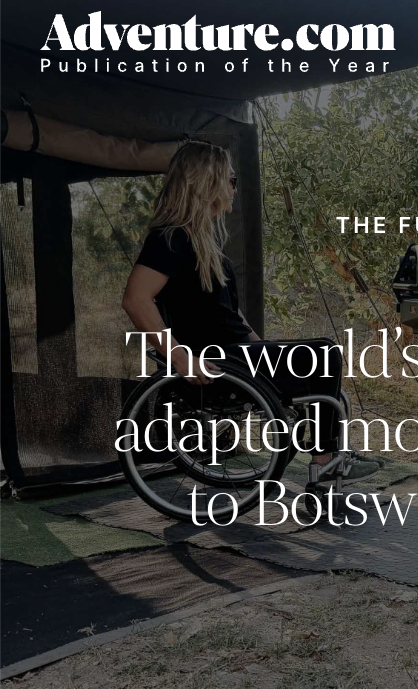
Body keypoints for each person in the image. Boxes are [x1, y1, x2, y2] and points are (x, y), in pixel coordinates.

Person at [122, 140, 378, 484]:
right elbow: (136, 300)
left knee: (318, 363)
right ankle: (325, 462)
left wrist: (263, 349)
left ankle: (325, 458)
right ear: (208, 183)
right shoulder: (170, 239)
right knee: (324, 352)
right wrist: (180, 358)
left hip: (239, 355)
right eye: (230, 180)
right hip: (216, 360)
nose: (233, 188)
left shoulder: (205, 245)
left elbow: (231, 317)